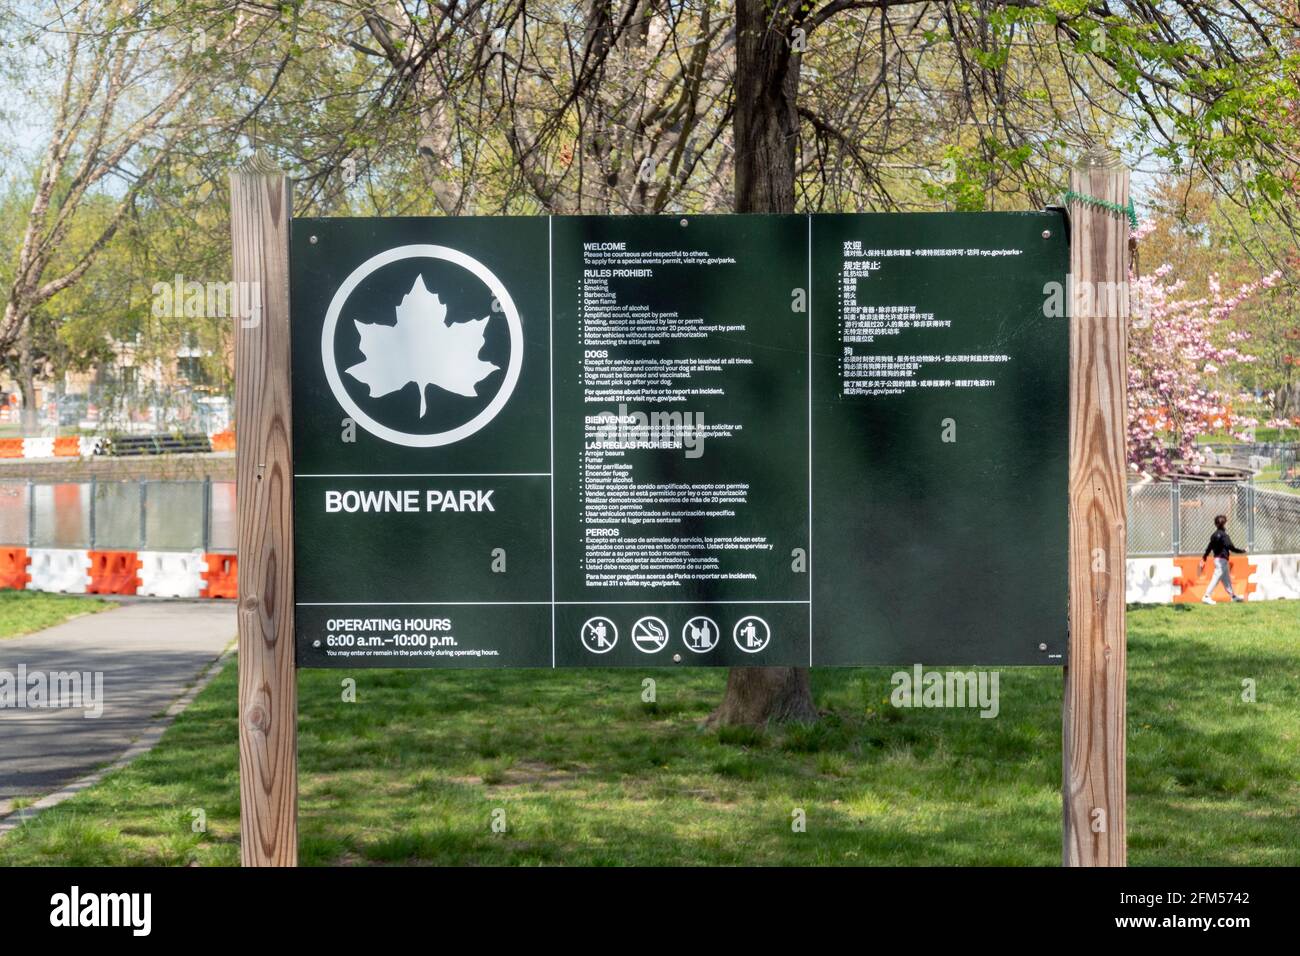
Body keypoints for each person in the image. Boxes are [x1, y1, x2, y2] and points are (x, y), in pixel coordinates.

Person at [1199, 514, 1246, 604]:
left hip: (1217, 559)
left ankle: (1233, 596)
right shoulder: (1224, 535)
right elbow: (1231, 547)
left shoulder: (1214, 535)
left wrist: (1204, 557)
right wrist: (1242, 551)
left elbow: (1209, 547)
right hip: (1222, 560)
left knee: (1226, 579)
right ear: (1224, 524)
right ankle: (1206, 596)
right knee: (1216, 578)